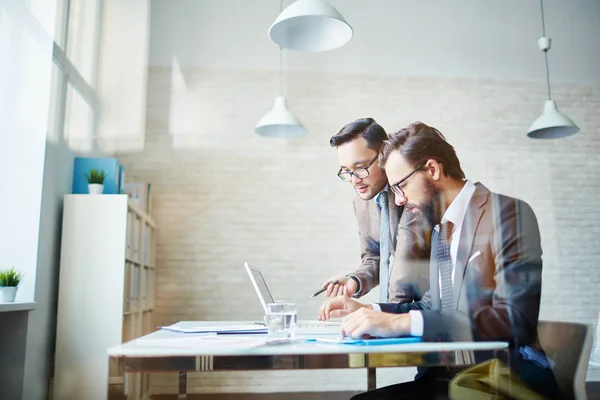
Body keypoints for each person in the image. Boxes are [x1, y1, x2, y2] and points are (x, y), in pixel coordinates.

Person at [318, 122, 558, 399]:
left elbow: (514, 319)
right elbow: (432, 304)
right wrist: (369, 309)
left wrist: (400, 324)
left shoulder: (507, 213)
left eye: (402, 185)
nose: (398, 201)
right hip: (452, 375)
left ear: (433, 169)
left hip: (499, 379)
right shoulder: (442, 230)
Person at [322, 117, 431, 304]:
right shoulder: (361, 203)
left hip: (431, 307)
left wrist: (384, 317)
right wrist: (355, 280)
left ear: (383, 156)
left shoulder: (409, 193)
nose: (354, 180)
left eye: (360, 167)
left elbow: (404, 272)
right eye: (346, 171)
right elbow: (374, 257)